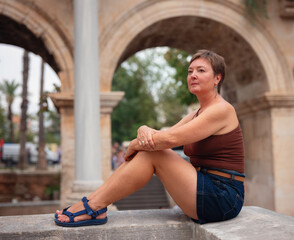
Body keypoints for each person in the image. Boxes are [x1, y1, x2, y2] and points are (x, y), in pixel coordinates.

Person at [54, 49, 245, 227]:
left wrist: (136, 145)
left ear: (217, 78)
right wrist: (143, 128)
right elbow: (162, 135)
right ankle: (94, 203)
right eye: (190, 71)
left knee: (154, 154)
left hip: (223, 197)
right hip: (203, 186)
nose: (193, 75)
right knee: (151, 152)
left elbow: (168, 140)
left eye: (201, 70)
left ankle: (94, 206)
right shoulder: (198, 113)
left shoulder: (222, 110)